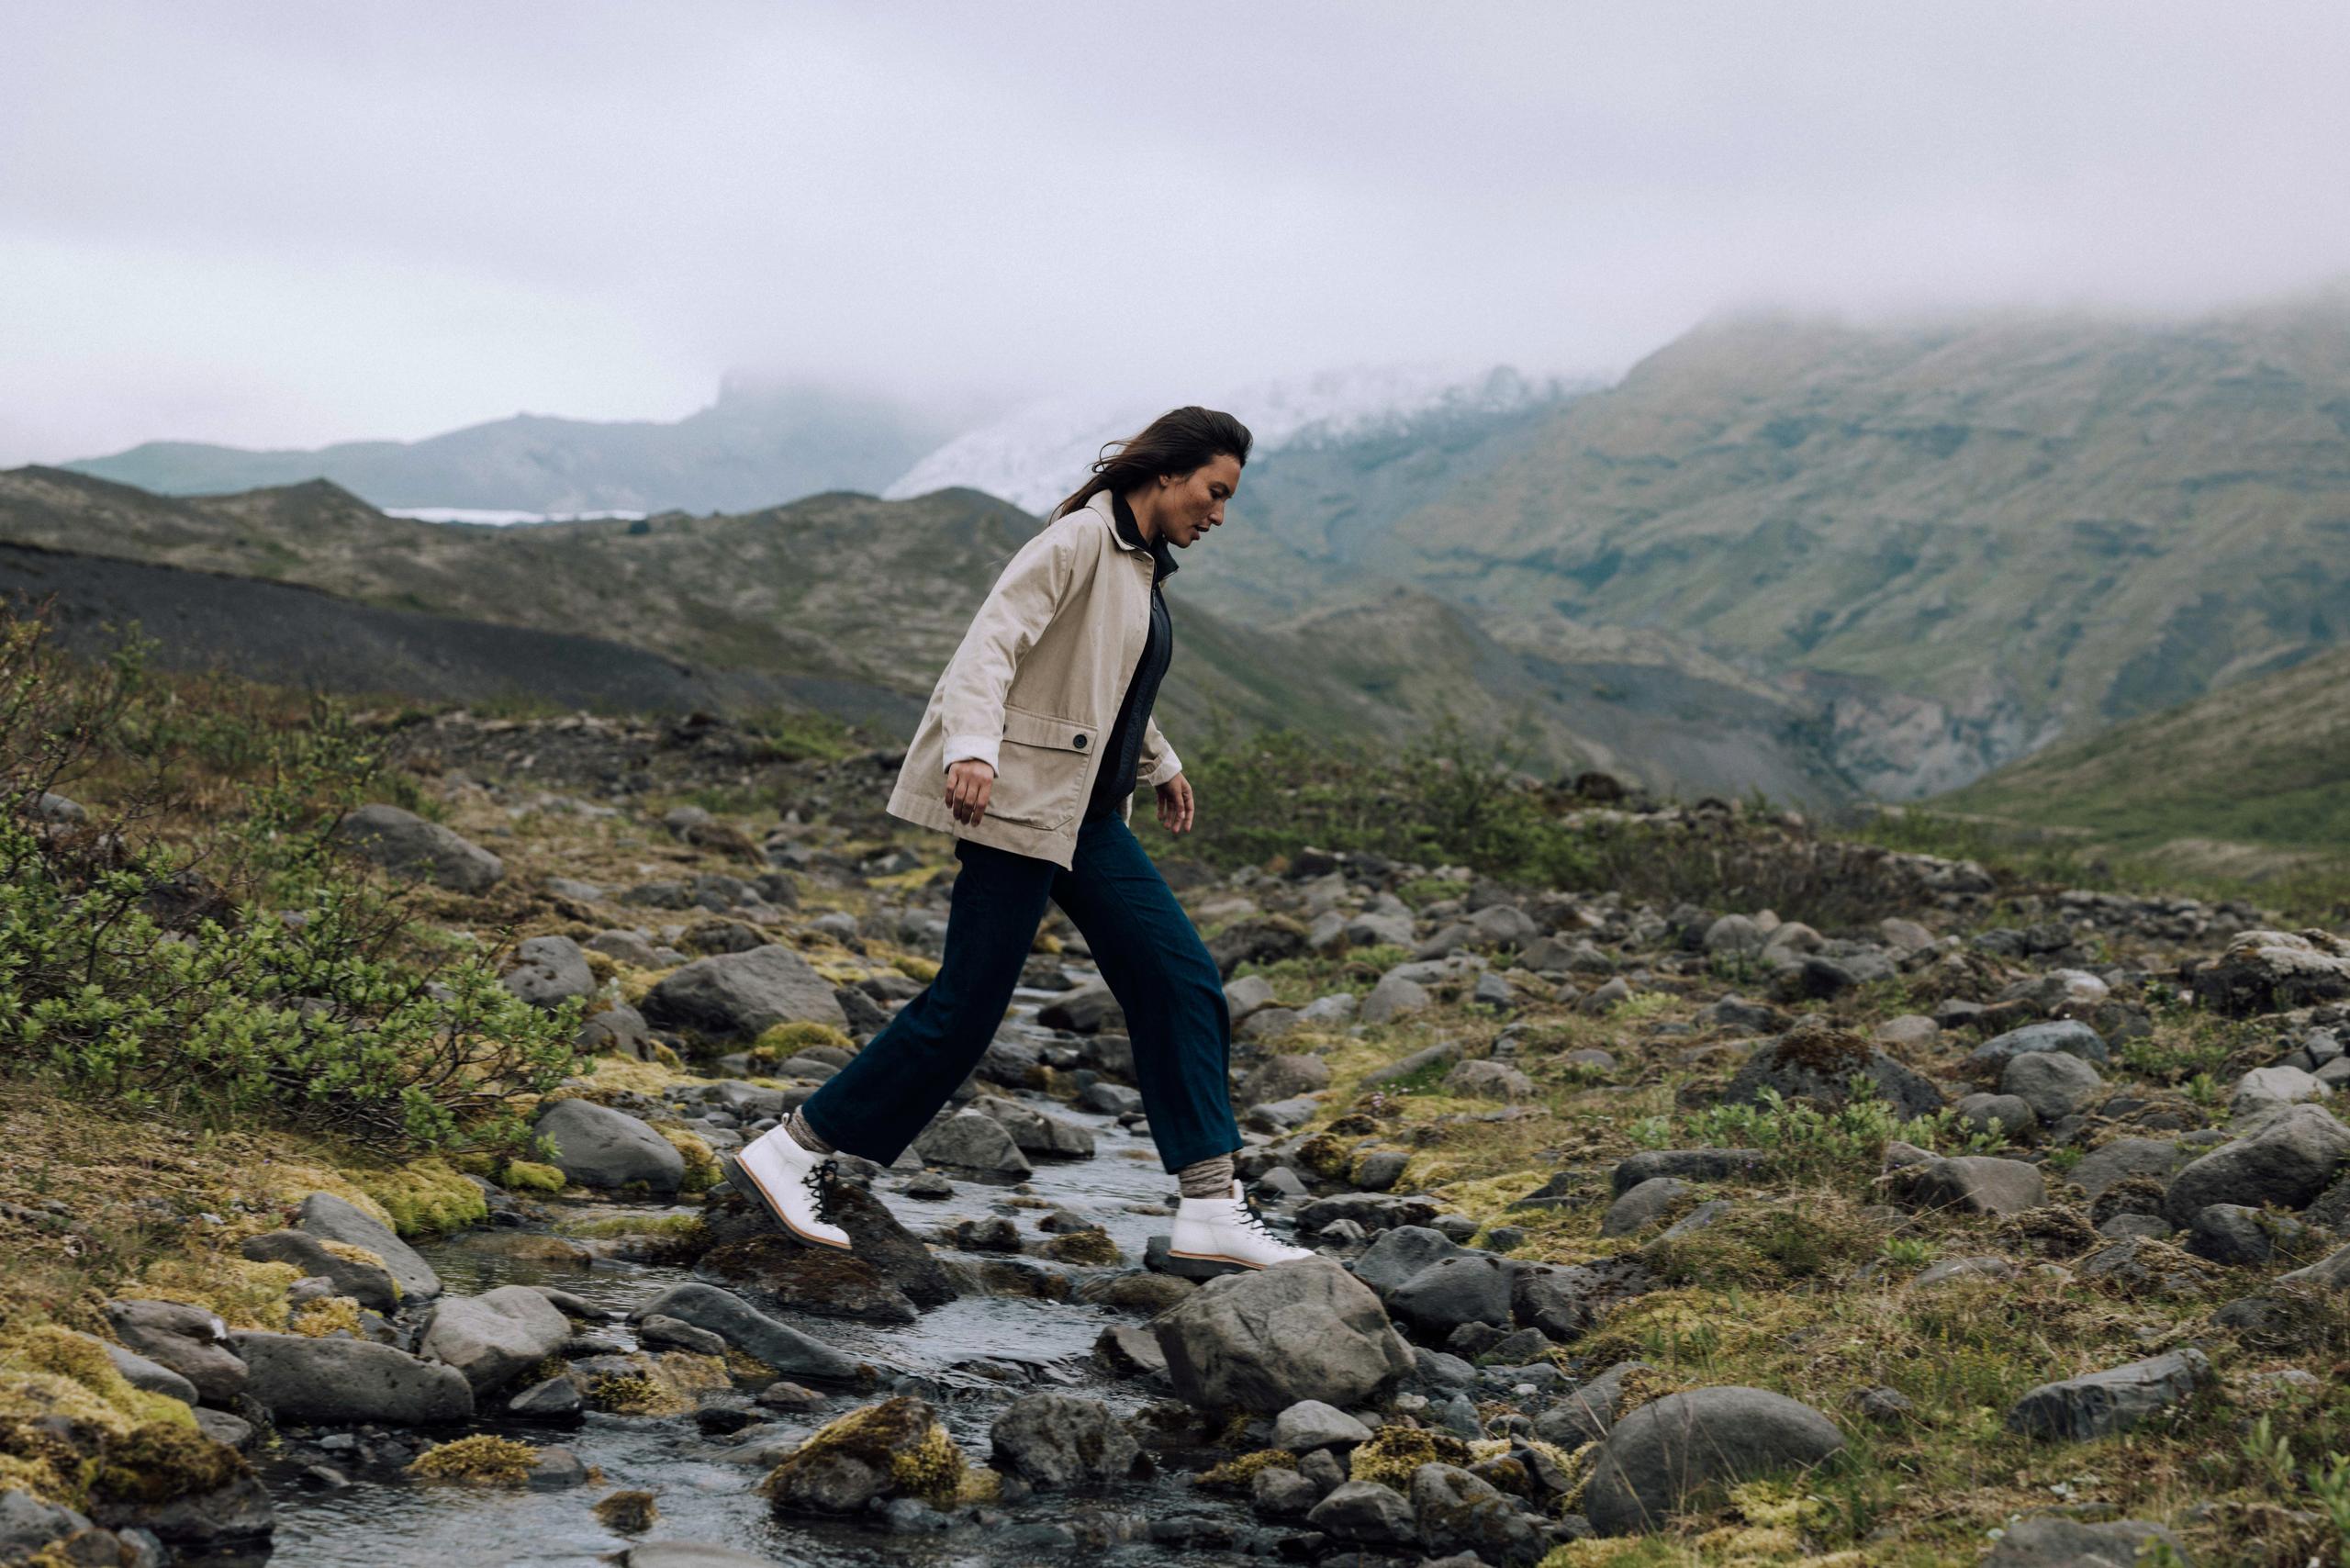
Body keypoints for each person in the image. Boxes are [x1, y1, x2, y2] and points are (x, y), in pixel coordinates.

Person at [722, 406, 1313, 1271]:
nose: (1219, 514)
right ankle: (790, 1153)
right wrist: (972, 749)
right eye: (1214, 492)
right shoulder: (1078, 542)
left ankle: (1212, 1208)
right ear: (1167, 473)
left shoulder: (1139, 563)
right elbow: (991, 646)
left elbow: (1105, 686)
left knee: (1180, 981)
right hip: (1020, 807)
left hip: (1088, 816)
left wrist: (1162, 760)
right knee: (966, 1010)